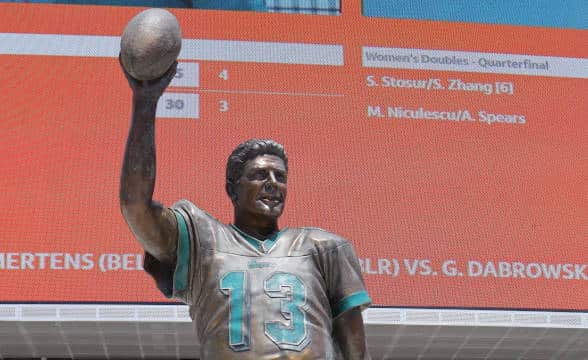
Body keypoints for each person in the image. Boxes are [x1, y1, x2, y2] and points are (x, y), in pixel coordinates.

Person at [119, 61, 371, 359]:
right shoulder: (203, 241)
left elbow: (355, 349)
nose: (273, 184)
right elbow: (135, 206)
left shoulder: (324, 248)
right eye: (260, 175)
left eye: (281, 177)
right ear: (232, 188)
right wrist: (145, 103)